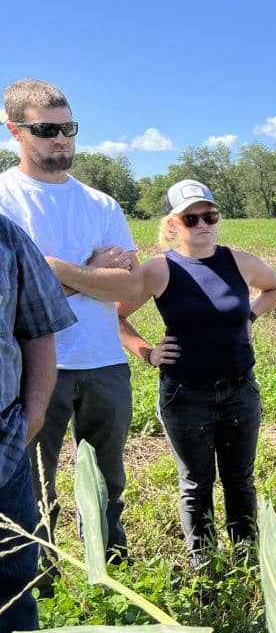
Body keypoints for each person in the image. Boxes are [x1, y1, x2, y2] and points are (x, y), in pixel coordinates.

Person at [0, 79, 142, 592]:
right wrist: (86, 271)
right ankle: (41, 581)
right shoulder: (4, 200)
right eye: (47, 129)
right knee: (36, 485)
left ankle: (111, 576)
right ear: (14, 130)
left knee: (109, 478)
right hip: (36, 367)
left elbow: (129, 282)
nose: (62, 139)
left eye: (68, 128)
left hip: (104, 360)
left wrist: (54, 270)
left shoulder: (101, 203)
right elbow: (12, 296)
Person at [116, 180, 276, 570]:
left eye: (209, 215)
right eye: (191, 218)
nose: (203, 224)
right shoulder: (160, 269)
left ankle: (246, 559)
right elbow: (118, 315)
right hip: (185, 395)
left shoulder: (237, 261)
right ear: (174, 223)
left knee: (240, 480)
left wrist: (249, 315)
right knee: (196, 483)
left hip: (240, 389)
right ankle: (203, 566)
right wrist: (147, 352)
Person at [0, 212, 76, 633]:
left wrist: (33, 417)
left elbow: (38, 331)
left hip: (5, 449)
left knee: (12, 588)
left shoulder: (5, 233)